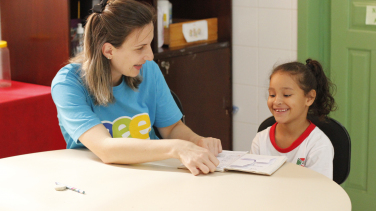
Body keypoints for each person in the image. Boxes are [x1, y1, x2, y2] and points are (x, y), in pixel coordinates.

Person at [51, 0, 222, 176]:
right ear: (109, 51)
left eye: (150, 44)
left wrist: (197, 141)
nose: (150, 56)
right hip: (98, 178)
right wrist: (177, 148)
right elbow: (105, 149)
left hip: (151, 172)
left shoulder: (148, 70)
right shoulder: (68, 84)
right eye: (140, 48)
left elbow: (171, 129)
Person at [250, 59, 337, 179]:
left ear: (309, 98)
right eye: (272, 95)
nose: (277, 101)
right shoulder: (260, 141)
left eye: (286, 95)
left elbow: (318, 193)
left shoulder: (318, 146)